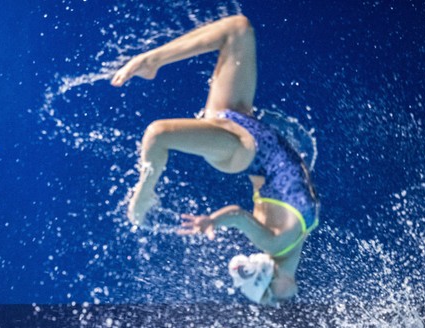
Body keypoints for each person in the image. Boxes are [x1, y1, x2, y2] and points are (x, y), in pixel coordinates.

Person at [110, 15, 319, 306]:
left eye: (276, 299)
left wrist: (212, 222)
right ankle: (152, 61)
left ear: (272, 279)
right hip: (246, 123)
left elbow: (236, 215)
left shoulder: (274, 243)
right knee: (239, 29)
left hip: (241, 150)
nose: (287, 299)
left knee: (157, 135)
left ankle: (144, 194)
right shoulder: (295, 239)